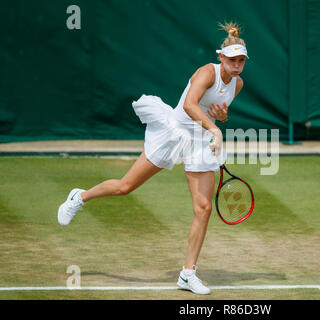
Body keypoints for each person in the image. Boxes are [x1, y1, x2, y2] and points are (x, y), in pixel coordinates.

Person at [57, 22, 248, 295]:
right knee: (126, 187)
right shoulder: (207, 73)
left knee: (203, 208)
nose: (237, 65)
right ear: (221, 57)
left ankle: (187, 274)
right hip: (174, 132)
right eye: (232, 59)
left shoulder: (237, 84)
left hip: (200, 140)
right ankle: (80, 197)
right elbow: (189, 105)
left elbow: (217, 111)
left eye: (241, 60)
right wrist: (215, 128)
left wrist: (221, 117)